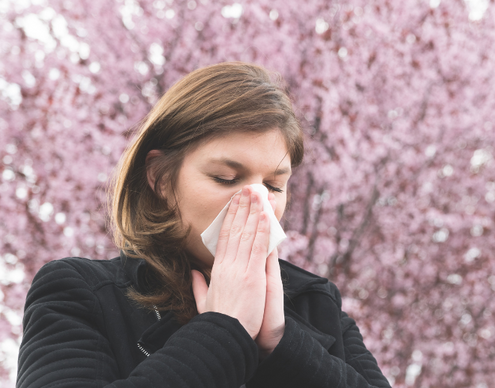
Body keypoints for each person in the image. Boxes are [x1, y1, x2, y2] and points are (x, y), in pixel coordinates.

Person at [16, 62, 391, 388]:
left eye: (274, 186)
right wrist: (223, 331)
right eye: (227, 178)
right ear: (161, 178)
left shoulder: (317, 306)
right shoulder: (81, 294)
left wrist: (280, 343)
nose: (258, 203)